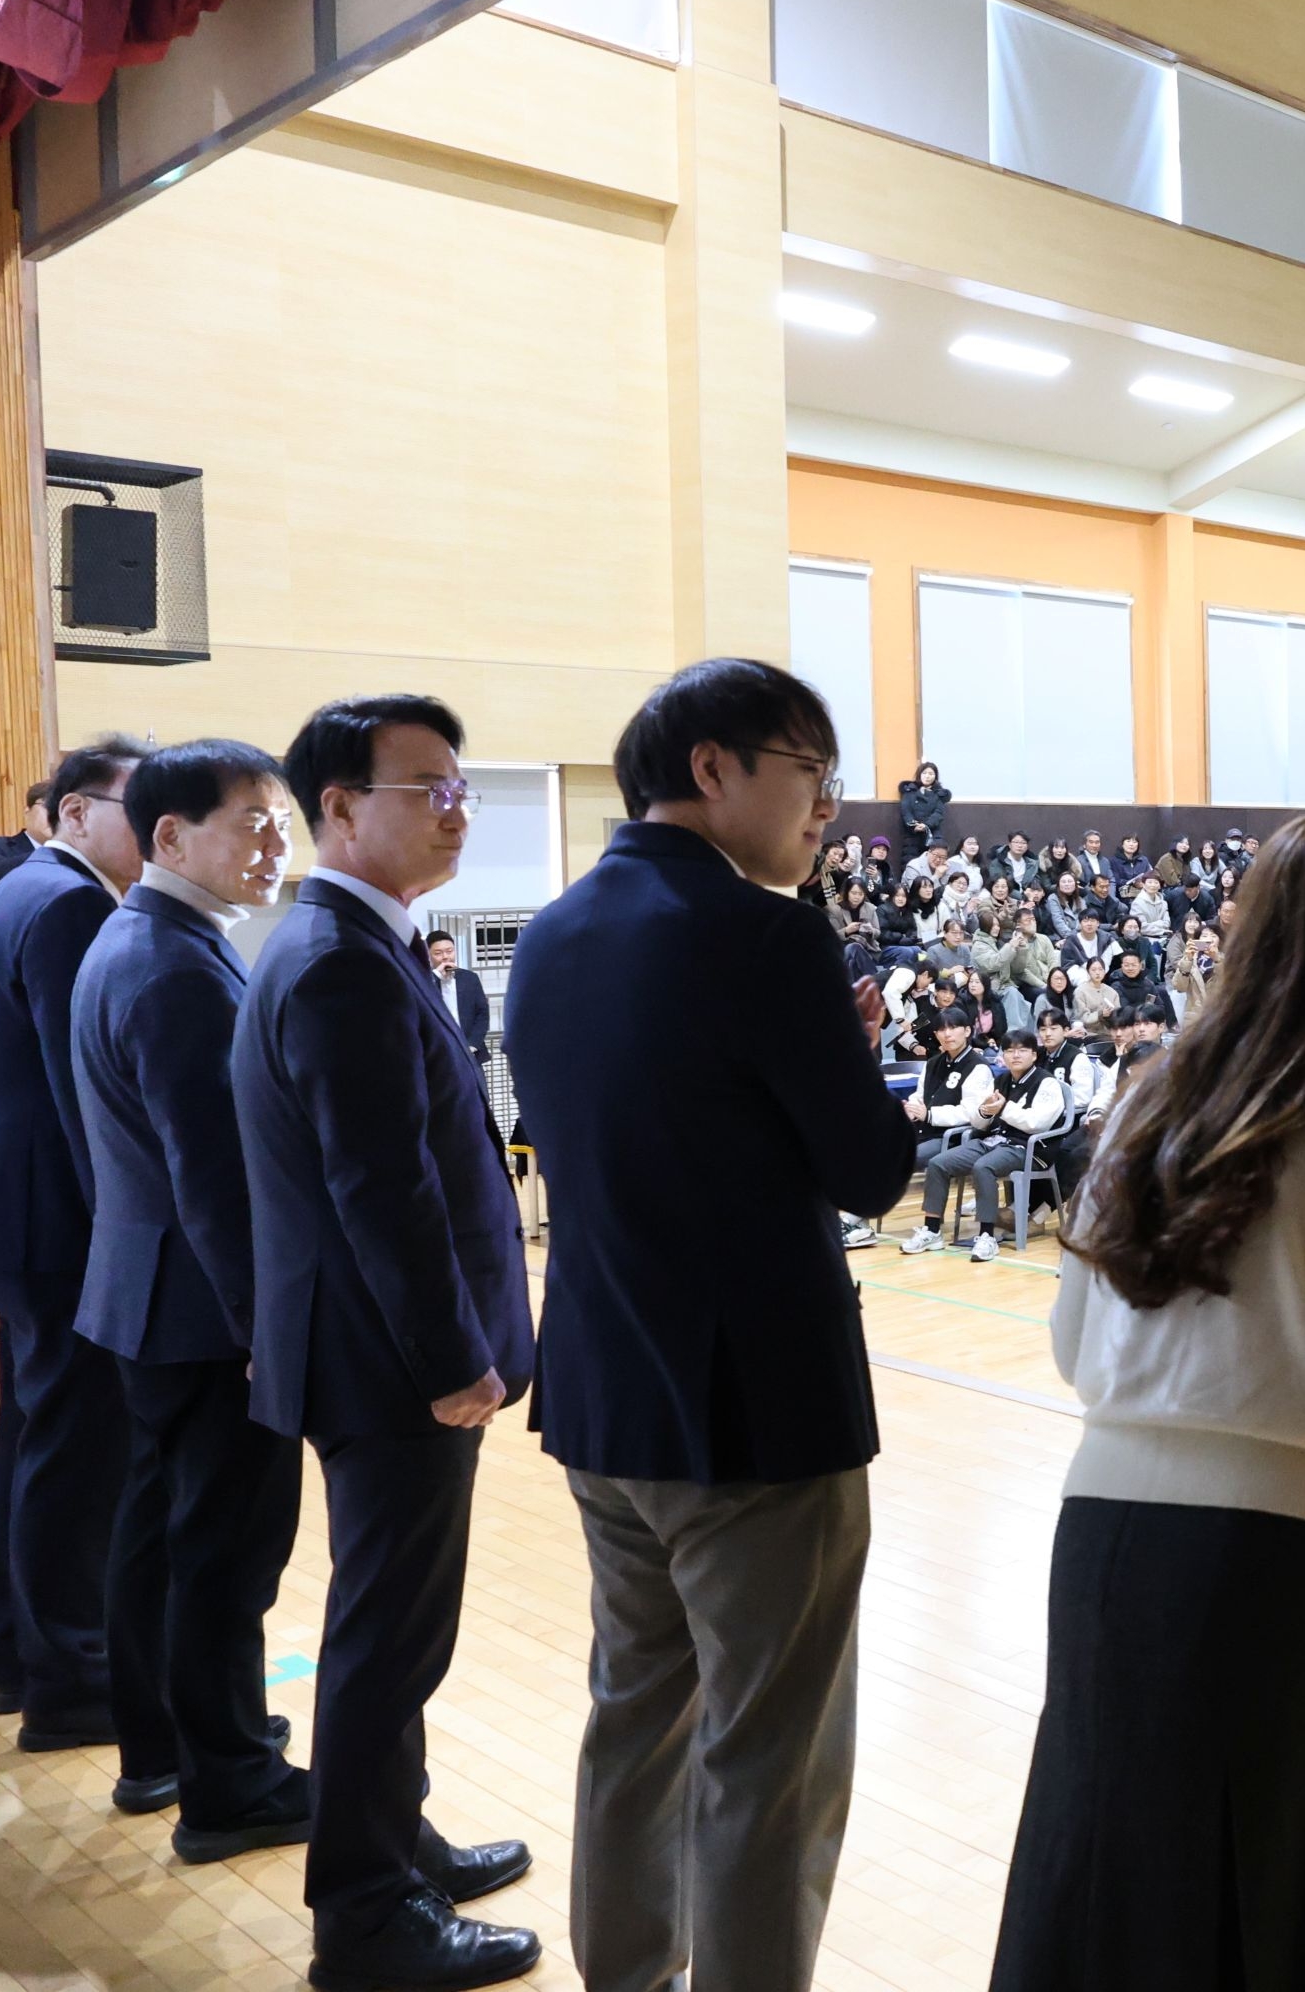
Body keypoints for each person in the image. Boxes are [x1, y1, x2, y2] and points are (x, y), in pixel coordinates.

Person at [991, 806, 1305, 1992]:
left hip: (1104, 1542)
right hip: (1295, 1560)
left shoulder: (1157, 1088)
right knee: (1300, 1907)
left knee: (1120, 1888)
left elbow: (1074, 1346)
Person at [507, 661, 912, 1992]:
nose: (827, 809)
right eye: (811, 774)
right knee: (768, 1754)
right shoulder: (767, 936)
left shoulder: (551, 933)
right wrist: (846, 1057)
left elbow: (661, 1128)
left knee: (636, 1717)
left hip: (603, 1392)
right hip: (754, 1418)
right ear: (713, 768)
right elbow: (870, 1170)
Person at [238, 696, 540, 1987]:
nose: (459, 808)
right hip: (388, 1361)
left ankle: (393, 1842)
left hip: (368, 1348)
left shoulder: (357, 941)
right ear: (342, 806)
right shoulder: (338, 962)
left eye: (461, 785)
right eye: (431, 788)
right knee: (388, 1634)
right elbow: (384, 1190)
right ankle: (366, 1915)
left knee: (394, 1624)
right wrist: (451, 1357)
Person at [69, 740, 313, 1853]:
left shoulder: (139, 937)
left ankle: (163, 1744)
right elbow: (215, 1178)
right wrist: (267, 1327)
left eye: (282, 824)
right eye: (252, 823)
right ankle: (233, 1780)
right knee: (226, 1548)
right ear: (170, 835)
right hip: (203, 1307)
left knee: (161, 1536)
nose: (275, 846)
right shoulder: (173, 965)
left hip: (146, 1287)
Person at [0, 737, 146, 1747]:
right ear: (75, 811)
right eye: (137, 806)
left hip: (16, 1204)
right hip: (57, 1211)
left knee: (36, 1437)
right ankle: (74, 1679)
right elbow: (84, 1090)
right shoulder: (70, 903)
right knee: (76, 1450)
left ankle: (19, 1653)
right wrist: (124, 1225)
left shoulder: (22, 892)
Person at [901, 1030, 1067, 1260]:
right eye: (1010, 1051)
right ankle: (932, 1229)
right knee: (939, 1163)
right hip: (993, 1141)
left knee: (984, 1167)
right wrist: (985, 1111)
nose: (1015, 1055)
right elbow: (979, 1123)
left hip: (1028, 1148)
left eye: (1022, 1050)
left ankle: (986, 1236)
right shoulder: (1001, 1080)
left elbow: (1037, 1124)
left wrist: (1004, 1108)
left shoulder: (1047, 1083)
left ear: (1034, 1055)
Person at [0, 775, 51, 899]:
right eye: (49, 806)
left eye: (63, 810)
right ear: (27, 811)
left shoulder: (75, 856)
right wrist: (53, 852)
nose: (55, 816)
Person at [423, 930, 493, 1067]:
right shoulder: (424, 980)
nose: (445, 957)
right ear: (428, 955)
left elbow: (482, 1014)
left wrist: (472, 1045)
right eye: (438, 953)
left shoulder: (470, 978)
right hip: (438, 1055)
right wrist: (436, 976)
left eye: (449, 951)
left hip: (470, 1052)